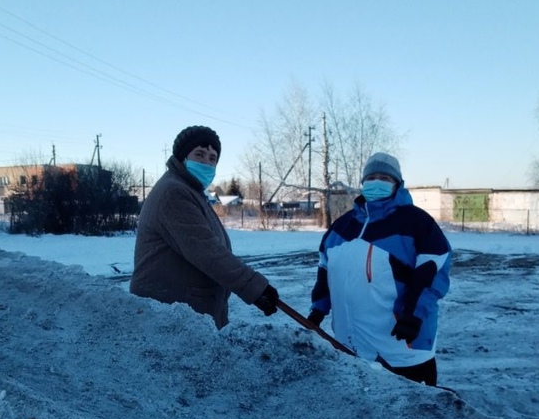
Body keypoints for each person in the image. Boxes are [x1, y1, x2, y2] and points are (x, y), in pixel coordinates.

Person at [308, 152, 451, 385]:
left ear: (397, 183)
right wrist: (318, 311)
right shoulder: (341, 227)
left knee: (412, 414)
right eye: (371, 177)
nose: (377, 182)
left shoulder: (416, 223)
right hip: (350, 346)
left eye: (385, 177)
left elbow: (432, 275)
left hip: (403, 347)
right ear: (363, 183)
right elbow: (325, 272)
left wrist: (414, 316)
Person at [130, 125, 279, 328]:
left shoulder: (190, 190)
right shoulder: (174, 193)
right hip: (169, 317)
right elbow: (207, 251)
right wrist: (253, 287)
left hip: (185, 313)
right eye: (199, 154)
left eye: (212, 158)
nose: (207, 163)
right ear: (183, 157)